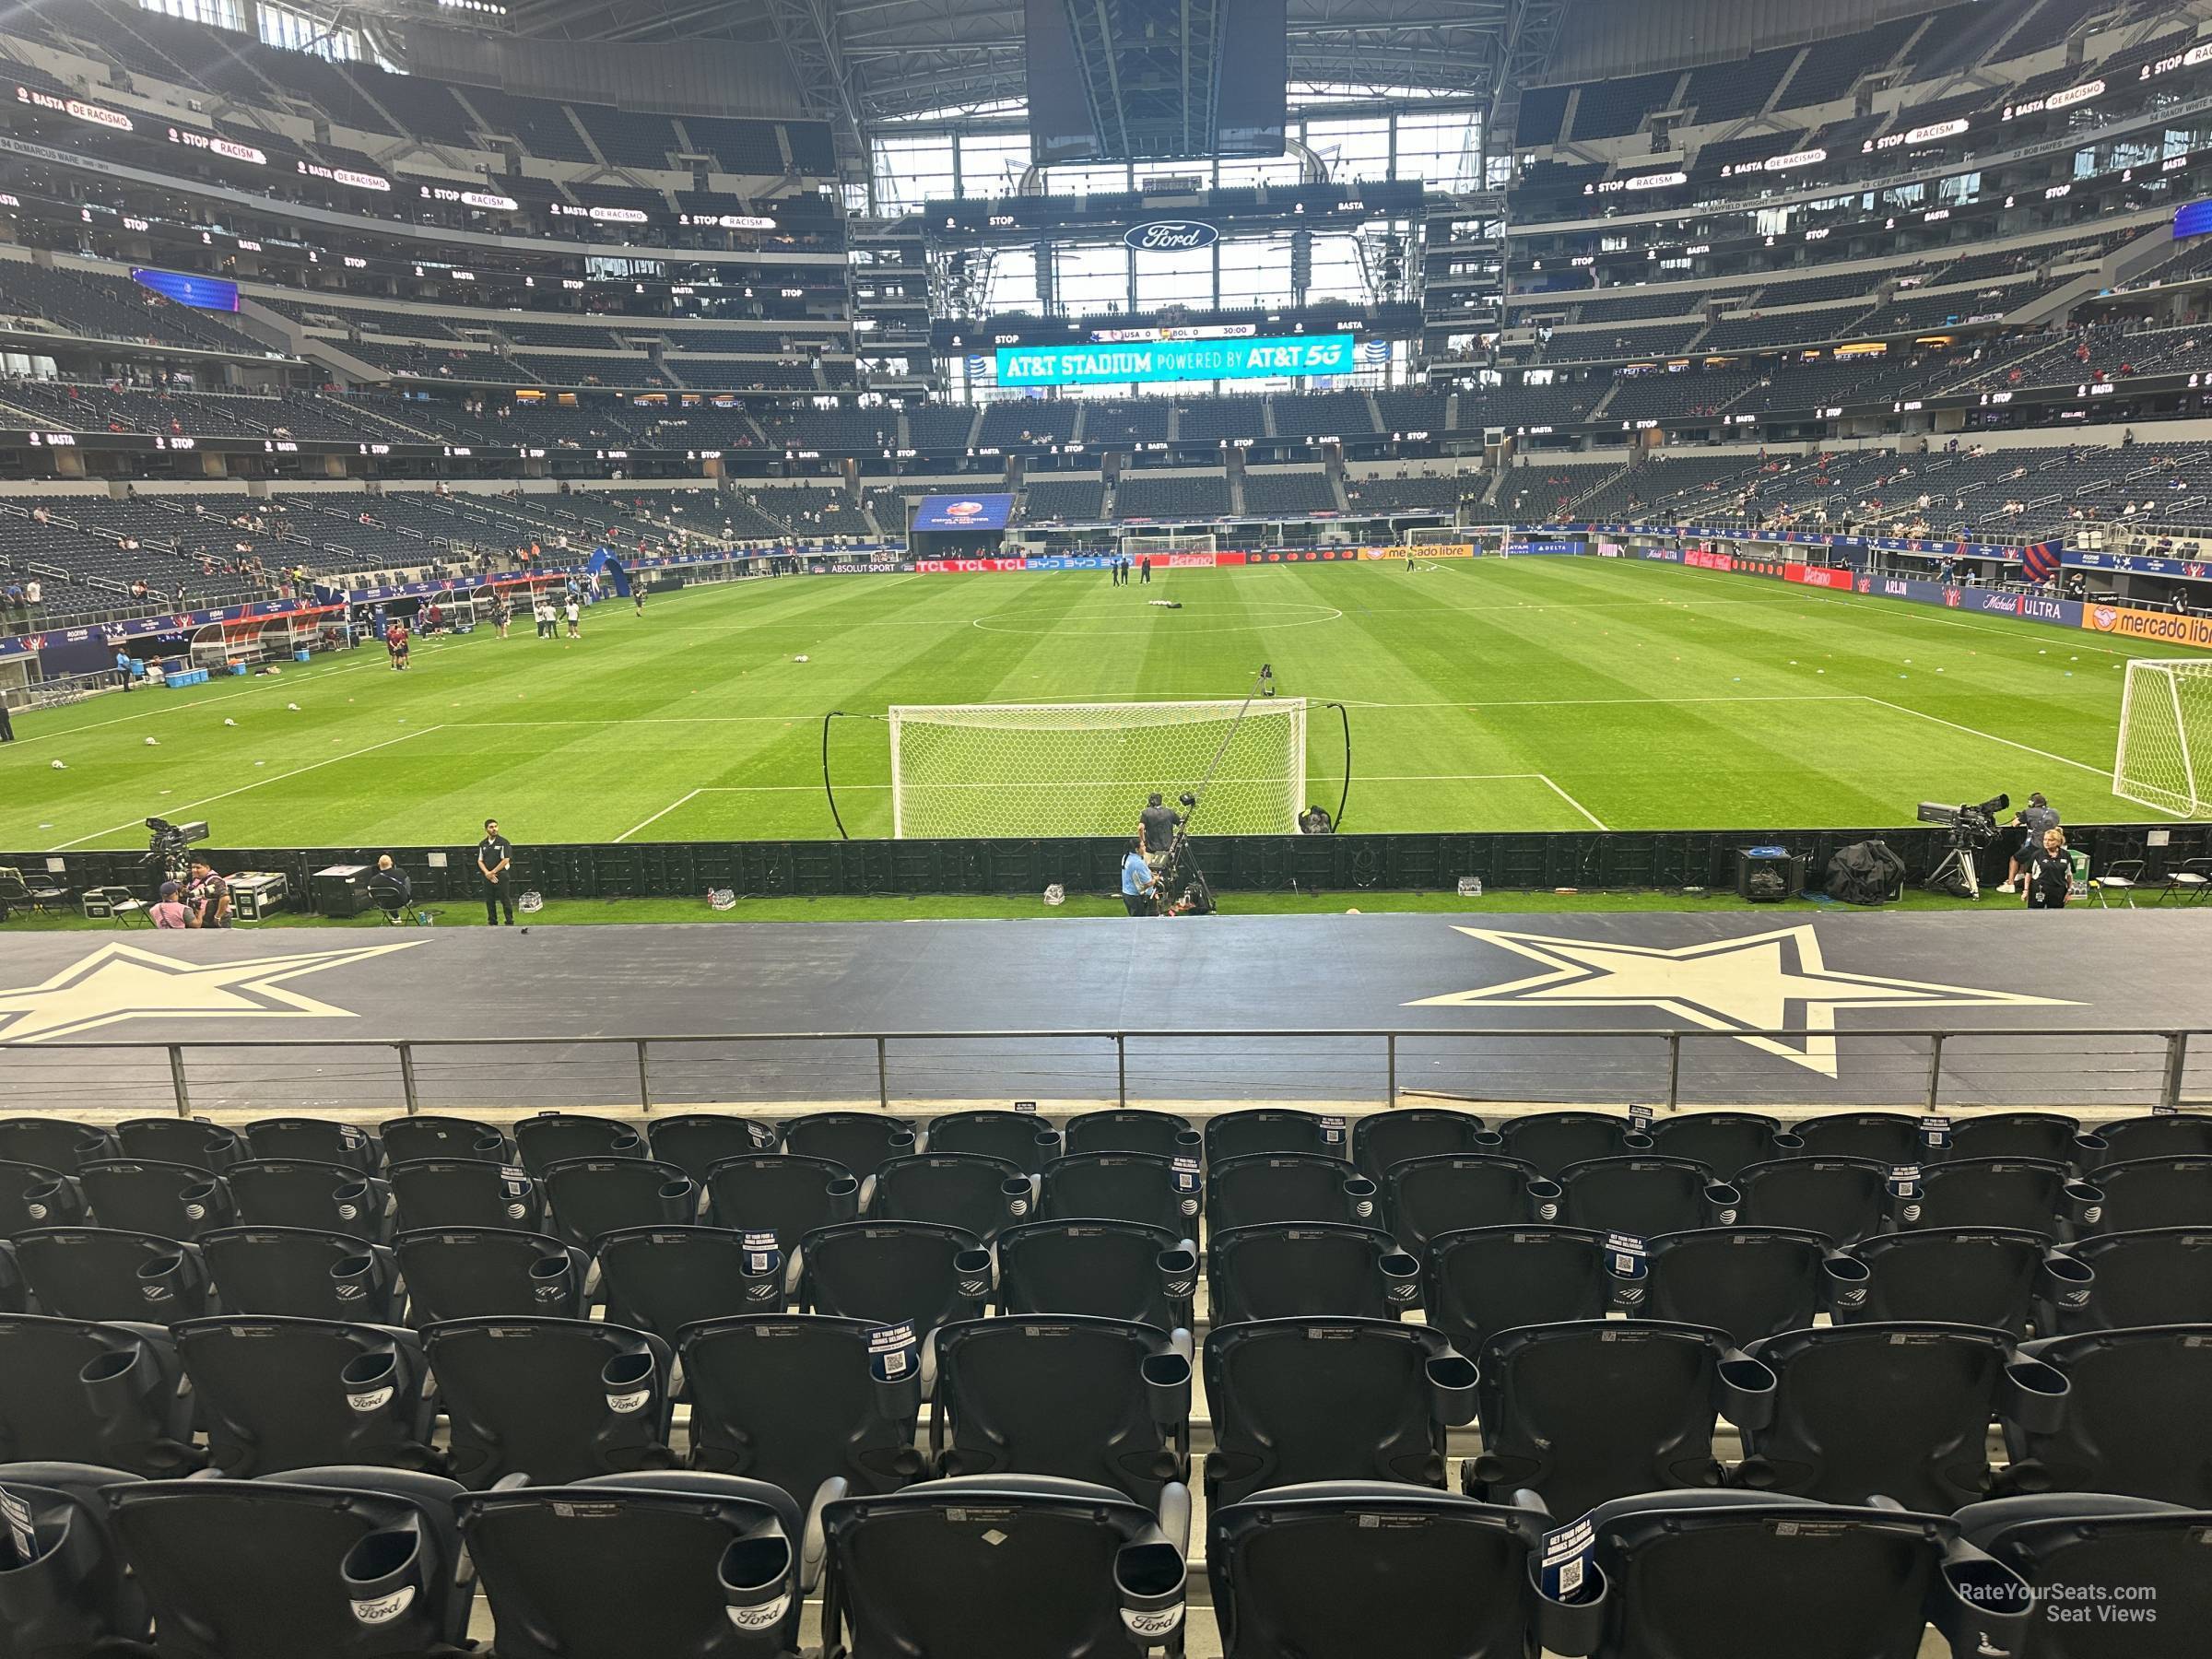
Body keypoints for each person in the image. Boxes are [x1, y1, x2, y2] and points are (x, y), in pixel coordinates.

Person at [2007, 793, 2061, 894]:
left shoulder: (2029, 812)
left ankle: (2010, 884)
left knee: (2014, 859)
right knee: (2024, 849)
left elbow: (2014, 824)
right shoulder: (2055, 812)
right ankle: (2020, 875)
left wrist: (2018, 817)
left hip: (2036, 845)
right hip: (2053, 845)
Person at [2024, 827, 2073, 910]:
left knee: (2055, 918)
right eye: (2045, 839)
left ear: (2058, 842)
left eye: (2050, 840)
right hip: (2039, 890)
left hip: (2058, 892)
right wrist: (2026, 890)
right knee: (2034, 916)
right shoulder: (2037, 855)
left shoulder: (2066, 855)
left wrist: (2069, 892)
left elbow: (2069, 875)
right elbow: (2029, 874)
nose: (2046, 842)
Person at [477, 818, 514, 925]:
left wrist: (492, 872)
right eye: (491, 827)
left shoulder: (503, 842)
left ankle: (509, 921)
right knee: (489, 900)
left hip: (501, 875)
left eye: (495, 826)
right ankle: (492, 921)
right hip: (488, 877)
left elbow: (506, 859)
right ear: (486, 829)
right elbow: (480, 860)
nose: (494, 829)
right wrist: (487, 873)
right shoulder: (482, 844)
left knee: (505, 899)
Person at [184, 860, 231, 928]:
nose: (194, 870)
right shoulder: (197, 878)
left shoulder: (215, 880)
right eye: (193, 867)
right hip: (204, 919)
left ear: (207, 868)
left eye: (198, 867)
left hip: (214, 921)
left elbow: (225, 899)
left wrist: (217, 917)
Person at [1120, 837, 1159, 916]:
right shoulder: (1138, 863)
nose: (1145, 848)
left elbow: (1135, 873)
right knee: (1140, 923)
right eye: (1143, 846)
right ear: (1137, 850)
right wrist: (1155, 879)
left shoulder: (1126, 857)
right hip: (1136, 898)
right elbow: (1148, 884)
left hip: (1127, 895)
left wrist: (1149, 873)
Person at [1139, 792, 1182, 864]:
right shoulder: (1170, 812)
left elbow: (1140, 828)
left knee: (1150, 873)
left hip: (1151, 851)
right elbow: (1181, 825)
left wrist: (1143, 841)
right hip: (1167, 851)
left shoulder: (1146, 812)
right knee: (1166, 872)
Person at [369, 854, 413, 919]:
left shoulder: (373, 880)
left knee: (386, 895)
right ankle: (409, 897)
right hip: (402, 902)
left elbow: (371, 895)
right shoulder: (400, 872)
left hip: (384, 905)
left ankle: (396, 917)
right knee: (406, 880)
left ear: (379, 864)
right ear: (391, 863)